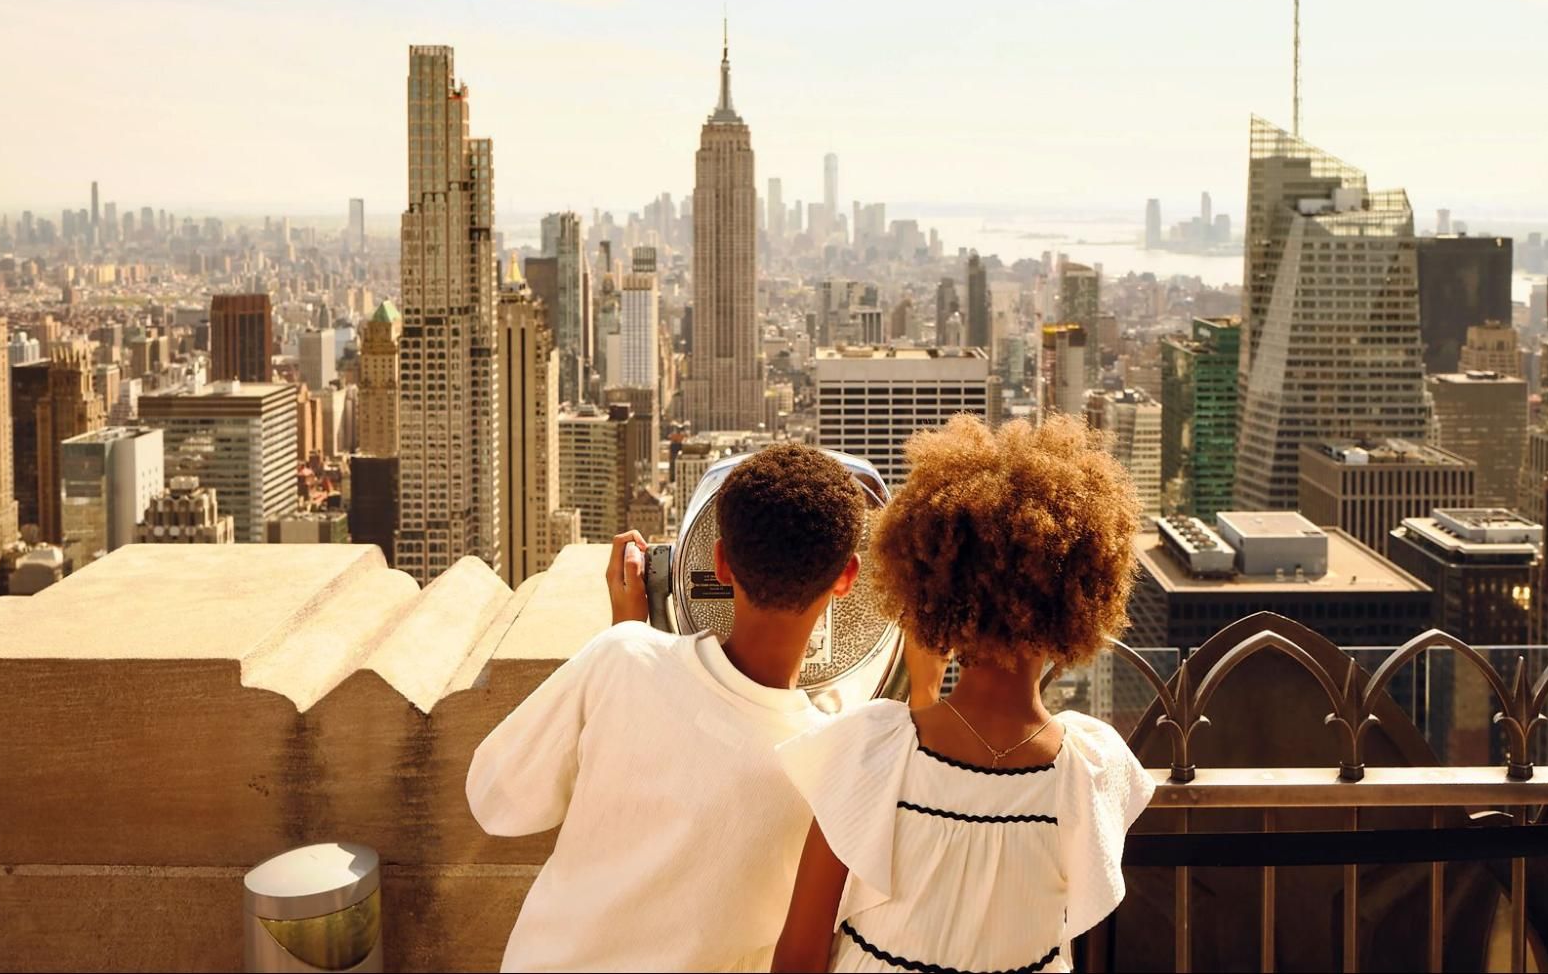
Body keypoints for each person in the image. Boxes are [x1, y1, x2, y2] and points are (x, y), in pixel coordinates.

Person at [771, 414, 1153, 974]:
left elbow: (799, 954)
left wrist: (923, 688)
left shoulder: (870, 751)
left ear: (933, 589)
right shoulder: (1092, 773)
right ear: (1083, 595)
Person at [467, 443, 869, 972]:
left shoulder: (621, 659)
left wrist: (627, 636)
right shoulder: (834, 767)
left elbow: (495, 801)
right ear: (847, 577)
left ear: (719, 562)